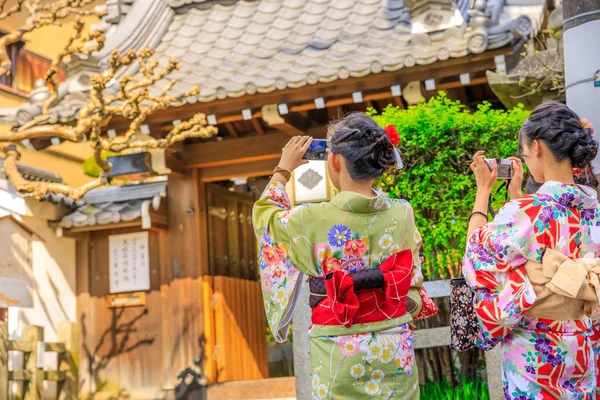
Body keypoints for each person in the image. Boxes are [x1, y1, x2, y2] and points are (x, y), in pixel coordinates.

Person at [252, 113, 437, 399]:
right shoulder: (403, 212)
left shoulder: (309, 217)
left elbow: (266, 220)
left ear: (335, 161)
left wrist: (283, 170)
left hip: (337, 347)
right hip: (393, 344)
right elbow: (411, 276)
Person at [463, 101, 600, 398]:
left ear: (536, 147)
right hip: (583, 342)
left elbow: (476, 262)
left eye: (525, 153)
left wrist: (482, 192)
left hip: (536, 349)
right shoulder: (594, 210)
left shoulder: (526, 210)